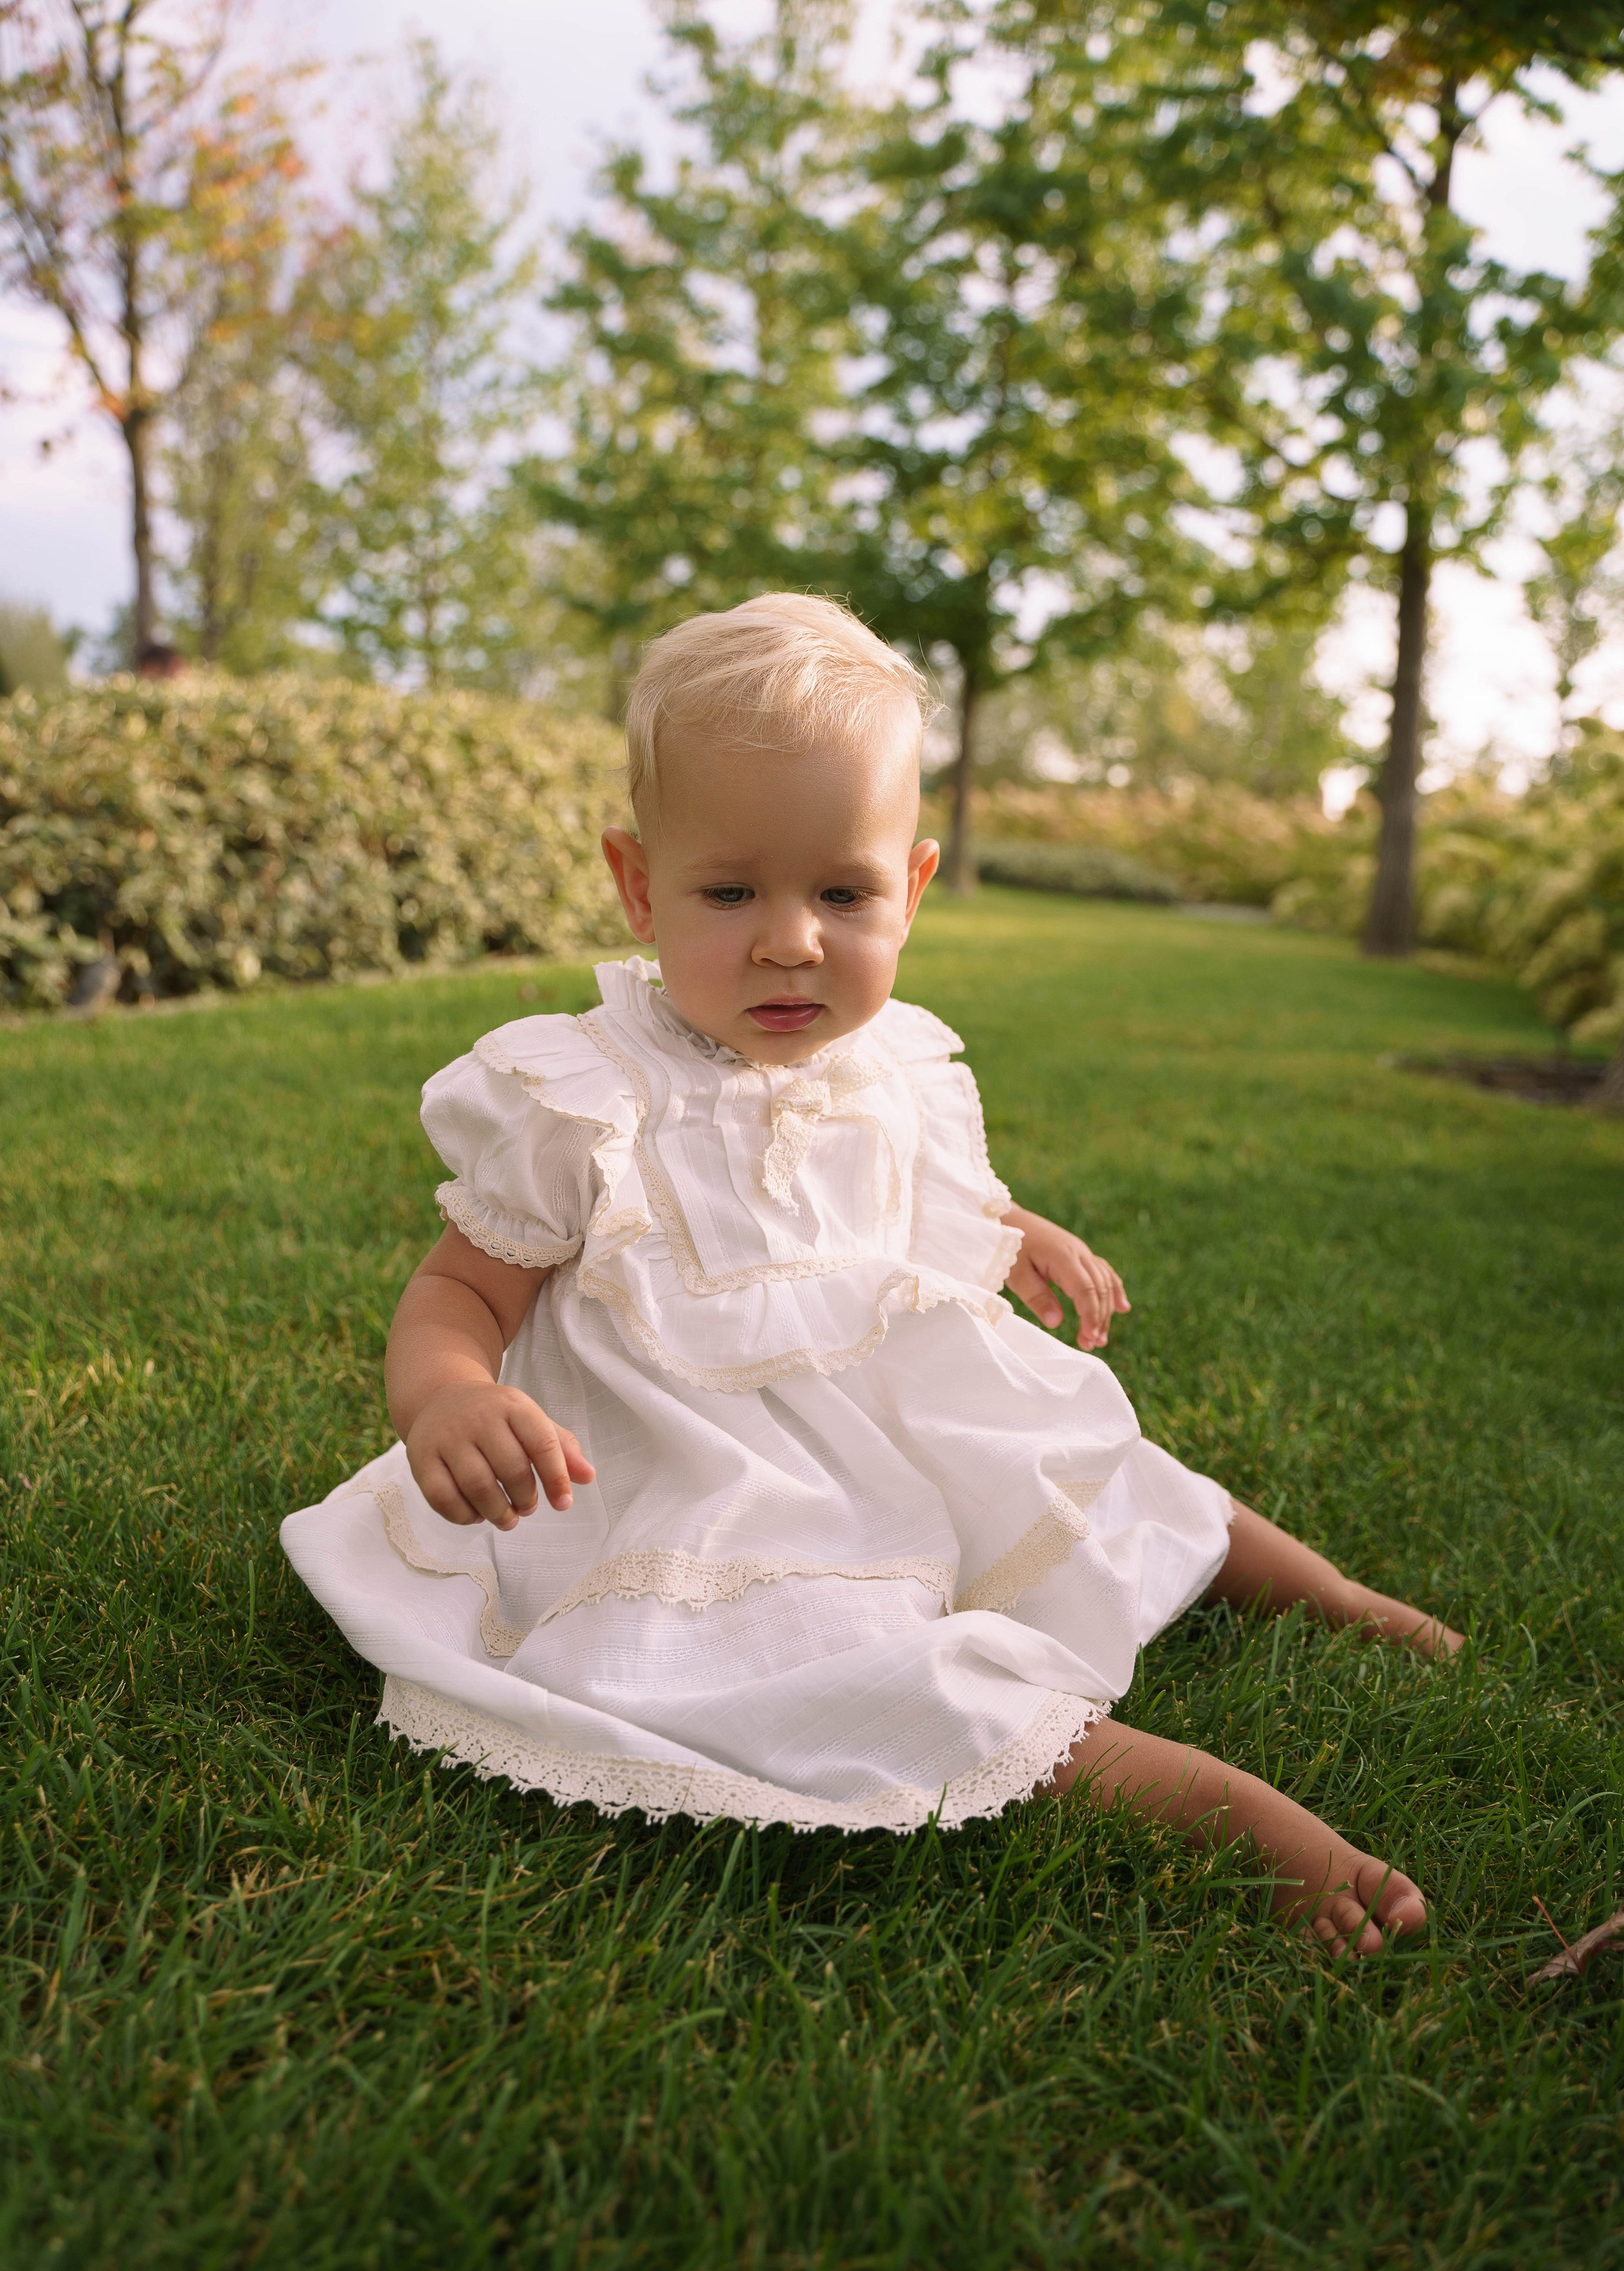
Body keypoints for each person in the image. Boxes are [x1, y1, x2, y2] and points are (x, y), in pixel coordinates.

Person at [282, 594, 1461, 1957]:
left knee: (1108, 1465)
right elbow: (464, 1293)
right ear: (639, 886)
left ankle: (1328, 1596)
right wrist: (446, 1395)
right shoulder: (584, 1093)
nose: (790, 939)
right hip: (705, 1475)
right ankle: (1192, 1801)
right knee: (833, 1657)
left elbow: (910, 1200)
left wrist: (1014, 1230)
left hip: (893, 1420)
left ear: (910, 886)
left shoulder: (894, 1059)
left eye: (841, 894)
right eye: (731, 892)